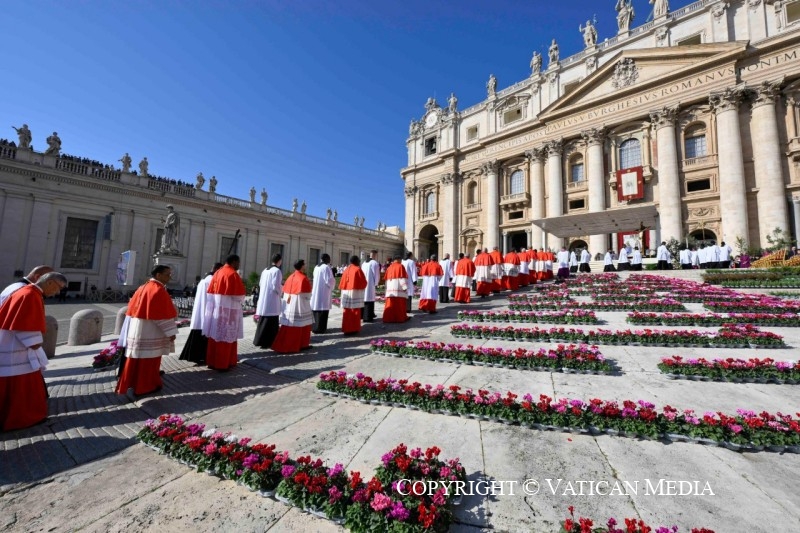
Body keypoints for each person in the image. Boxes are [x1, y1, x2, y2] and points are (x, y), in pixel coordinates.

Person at [0, 272, 67, 430]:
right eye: (58, 288)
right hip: (16, 350)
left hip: (10, 344)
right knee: (22, 386)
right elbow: (25, 325)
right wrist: (36, 343)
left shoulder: (25, 291)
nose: (57, 292)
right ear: (50, 282)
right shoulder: (30, 295)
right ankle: (24, 418)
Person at [115, 266, 177, 400]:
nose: (169, 277)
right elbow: (161, 315)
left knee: (138, 360)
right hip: (150, 331)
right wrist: (170, 332)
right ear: (159, 275)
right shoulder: (157, 290)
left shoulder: (143, 287)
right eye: (167, 274)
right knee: (149, 361)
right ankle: (144, 387)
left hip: (139, 329)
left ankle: (134, 384)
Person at [203, 255, 246, 371]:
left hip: (217, 310)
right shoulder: (232, 274)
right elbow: (239, 296)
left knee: (216, 336)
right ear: (234, 262)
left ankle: (212, 362)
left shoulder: (218, 272)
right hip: (229, 311)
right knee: (226, 337)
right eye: (238, 262)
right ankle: (223, 364)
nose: (239, 265)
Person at [180, 263, 222, 365]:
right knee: (203, 336)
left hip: (200, 312)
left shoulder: (204, 279)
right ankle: (202, 357)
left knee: (197, 334)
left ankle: (195, 356)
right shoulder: (212, 280)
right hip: (207, 311)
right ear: (216, 269)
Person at [272, 260, 313, 353]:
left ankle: (286, 344)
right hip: (299, 304)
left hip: (289, 303)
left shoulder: (290, 276)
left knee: (289, 325)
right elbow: (307, 295)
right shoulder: (303, 278)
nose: (305, 265)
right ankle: (300, 344)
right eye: (304, 264)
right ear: (302, 266)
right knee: (301, 324)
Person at [254, 254, 283, 348]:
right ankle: (269, 341)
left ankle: (259, 340)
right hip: (272, 299)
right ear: (279, 261)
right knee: (271, 321)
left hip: (263, 298)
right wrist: (281, 292)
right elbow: (276, 286)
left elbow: (260, 283)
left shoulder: (265, 270)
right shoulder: (277, 271)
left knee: (263, 320)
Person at [339, 255, 367, 335]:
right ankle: (353, 329)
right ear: (356, 261)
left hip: (346, 292)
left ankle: (346, 329)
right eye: (359, 260)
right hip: (354, 292)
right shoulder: (357, 269)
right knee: (354, 311)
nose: (359, 262)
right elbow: (363, 282)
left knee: (347, 311)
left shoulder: (346, 269)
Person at [310, 254, 335, 334]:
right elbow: (329, 280)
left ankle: (314, 327)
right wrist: (332, 285)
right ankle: (321, 328)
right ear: (327, 259)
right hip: (324, 292)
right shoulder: (326, 267)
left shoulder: (316, 267)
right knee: (322, 310)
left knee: (316, 308)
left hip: (316, 290)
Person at [383, 256, 409, 323]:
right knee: (399, 305)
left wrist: (386, 289)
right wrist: (405, 287)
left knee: (390, 304)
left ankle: (388, 318)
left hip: (390, 289)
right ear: (398, 259)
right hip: (398, 289)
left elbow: (386, 280)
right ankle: (399, 318)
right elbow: (402, 277)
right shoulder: (400, 266)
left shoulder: (389, 267)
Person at [361, 250, 380, 322]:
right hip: (370, 283)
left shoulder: (364, 263)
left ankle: (365, 315)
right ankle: (368, 316)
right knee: (370, 299)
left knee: (365, 298)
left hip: (364, 283)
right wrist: (376, 283)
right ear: (375, 255)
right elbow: (376, 274)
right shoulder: (374, 263)